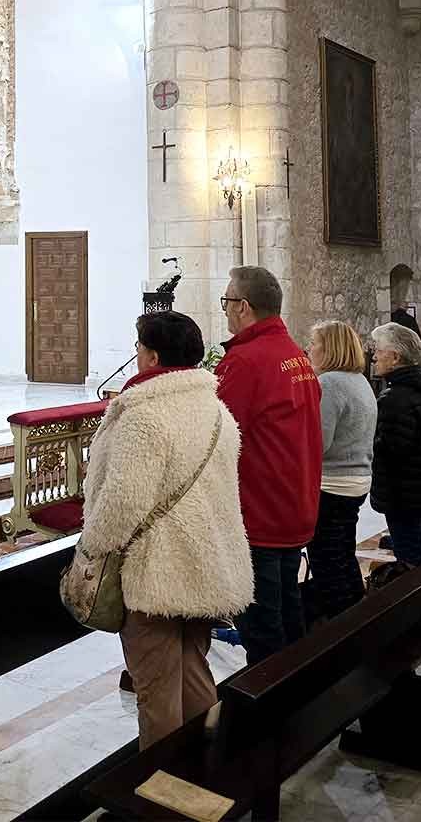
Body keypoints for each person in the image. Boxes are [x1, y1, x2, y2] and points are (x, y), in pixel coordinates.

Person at [78, 311, 251, 748]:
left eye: (138, 349)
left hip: (156, 574)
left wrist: (91, 548)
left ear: (152, 356)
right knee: (194, 675)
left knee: (155, 693)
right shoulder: (216, 411)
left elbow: (123, 500)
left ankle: (160, 798)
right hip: (205, 564)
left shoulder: (144, 415)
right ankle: (203, 774)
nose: (136, 356)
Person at [215, 266, 322, 664]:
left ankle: (273, 715)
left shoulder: (245, 361)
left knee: (262, 625)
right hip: (294, 502)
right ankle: (301, 696)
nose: (225, 311)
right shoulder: (297, 355)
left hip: (260, 509)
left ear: (243, 307)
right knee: (288, 607)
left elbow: (218, 433)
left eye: (227, 302)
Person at [305, 321, 376, 621]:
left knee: (327, 564)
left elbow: (318, 442)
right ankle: (356, 619)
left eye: (314, 343)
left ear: (330, 349)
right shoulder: (359, 380)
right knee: (343, 555)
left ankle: (338, 632)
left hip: (332, 485)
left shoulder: (330, 383)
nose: (308, 349)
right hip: (355, 481)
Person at [369, 322, 421, 568]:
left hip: (404, 493)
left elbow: (393, 450)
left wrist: (371, 443)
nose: (374, 356)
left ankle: (415, 604)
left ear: (394, 357)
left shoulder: (397, 397)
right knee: (415, 542)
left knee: (411, 562)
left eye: (378, 351)